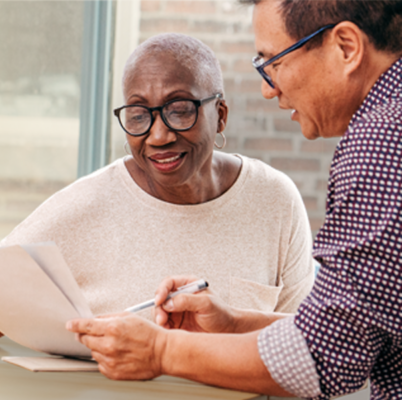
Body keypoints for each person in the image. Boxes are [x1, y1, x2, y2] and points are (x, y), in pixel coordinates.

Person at [66, 1, 402, 398]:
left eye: (273, 62)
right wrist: (231, 325)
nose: (268, 88)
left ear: (346, 47)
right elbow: (355, 330)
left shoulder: (381, 144)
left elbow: (325, 356)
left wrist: (160, 350)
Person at [0, 33, 316, 347]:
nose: (159, 135)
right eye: (138, 114)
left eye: (179, 109)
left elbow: (308, 345)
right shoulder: (86, 205)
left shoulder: (274, 200)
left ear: (220, 115)